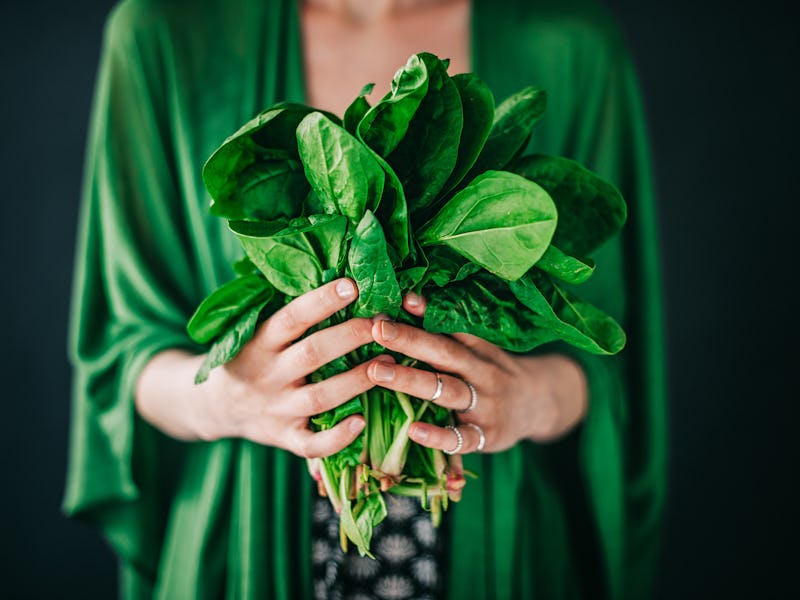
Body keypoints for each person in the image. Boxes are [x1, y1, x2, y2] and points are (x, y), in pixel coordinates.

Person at [64, 0, 667, 598]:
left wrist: (529, 399)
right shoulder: (161, 33)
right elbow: (122, 353)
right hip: (244, 548)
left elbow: (610, 355)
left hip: (501, 547)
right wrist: (231, 399)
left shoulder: (572, 45)